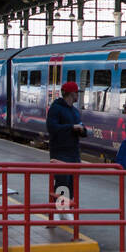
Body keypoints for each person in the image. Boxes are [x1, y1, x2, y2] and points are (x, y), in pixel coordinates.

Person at [46, 81, 86, 221]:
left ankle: (65, 207)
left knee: (72, 182)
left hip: (74, 152)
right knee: (61, 180)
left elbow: (81, 126)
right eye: (76, 93)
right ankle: (58, 210)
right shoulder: (56, 109)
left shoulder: (74, 111)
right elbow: (51, 128)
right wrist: (71, 127)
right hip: (60, 151)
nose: (78, 96)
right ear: (71, 94)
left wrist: (82, 130)